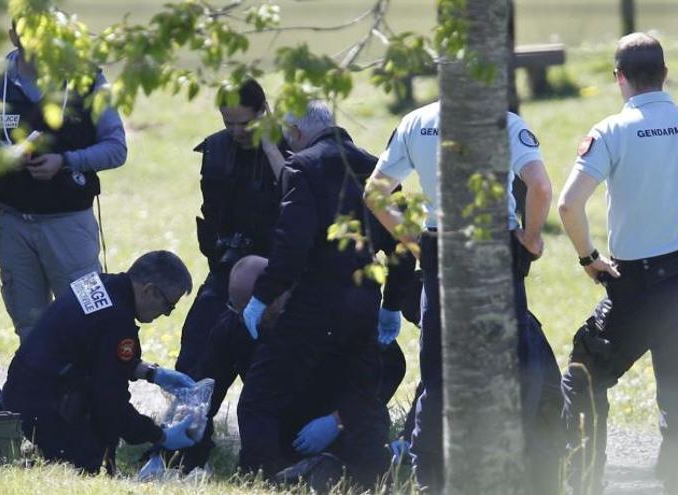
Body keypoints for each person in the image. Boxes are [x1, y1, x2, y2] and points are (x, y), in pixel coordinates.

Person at [365, 99, 557, 493]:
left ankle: (430, 479)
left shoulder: (416, 122)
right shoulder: (502, 121)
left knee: (438, 378)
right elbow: (539, 185)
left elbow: (375, 191)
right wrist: (532, 237)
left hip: (441, 250)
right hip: (494, 250)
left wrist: (415, 241)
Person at [237, 101, 389, 484]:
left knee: (259, 396)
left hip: (315, 304)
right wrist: (395, 304)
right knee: (362, 393)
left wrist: (262, 296)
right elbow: (401, 240)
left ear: (298, 133)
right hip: (364, 303)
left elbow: (292, 244)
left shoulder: (303, 167)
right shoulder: (377, 167)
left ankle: (264, 475)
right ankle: (368, 476)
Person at [559, 32, 678, 494]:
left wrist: (589, 258)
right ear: (665, 75)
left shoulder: (610, 131)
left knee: (583, 374)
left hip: (638, 287)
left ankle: (585, 484)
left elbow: (569, 205)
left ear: (618, 79)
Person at [0, 20, 127, 340]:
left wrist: (65, 161)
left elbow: (116, 149)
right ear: (12, 34)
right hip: (12, 225)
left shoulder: (87, 78)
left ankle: (91, 390)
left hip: (70, 224)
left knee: (90, 322)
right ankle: (40, 390)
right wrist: (4, 159)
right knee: (30, 329)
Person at [177, 255, 391, 488]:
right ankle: (272, 477)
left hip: (332, 412)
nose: (252, 320)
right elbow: (208, 389)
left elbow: (382, 371)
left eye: (257, 309)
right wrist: (184, 447)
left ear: (277, 294)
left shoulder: (330, 314)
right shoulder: (238, 325)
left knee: (368, 438)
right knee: (259, 440)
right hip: (279, 418)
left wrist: (338, 419)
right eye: (242, 310)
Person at [2, 251, 199, 473]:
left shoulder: (99, 283)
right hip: (44, 408)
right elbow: (110, 403)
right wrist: (159, 435)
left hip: (20, 391)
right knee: (89, 463)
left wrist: (151, 373)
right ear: (149, 290)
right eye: (168, 306)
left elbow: (94, 354)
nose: (166, 315)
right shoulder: (116, 320)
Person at [175, 78, 286, 374]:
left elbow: (296, 195)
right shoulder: (216, 149)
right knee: (195, 352)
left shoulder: (288, 147)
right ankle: (195, 415)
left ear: (263, 111)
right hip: (227, 267)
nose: (236, 132)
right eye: (229, 124)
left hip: (280, 273)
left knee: (270, 364)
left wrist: (269, 145)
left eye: (245, 124)